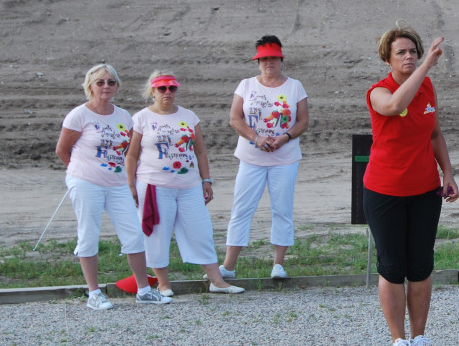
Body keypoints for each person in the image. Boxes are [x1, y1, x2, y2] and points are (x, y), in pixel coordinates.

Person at [364, 22, 459, 346]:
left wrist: (447, 173)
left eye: (413, 51)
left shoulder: (427, 86)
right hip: (384, 191)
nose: (409, 56)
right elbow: (393, 106)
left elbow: (434, 134)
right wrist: (424, 68)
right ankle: (398, 342)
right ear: (388, 59)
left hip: (424, 191)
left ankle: (419, 339)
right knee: (392, 267)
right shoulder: (379, 90)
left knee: (420, 265)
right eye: (401, 52)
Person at [55, 64, 172, 309]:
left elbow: (129, 149)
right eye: (100, 82)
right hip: (86, 182)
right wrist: (81, 172)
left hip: (117, 183)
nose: (106, 86)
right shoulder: (80, 115)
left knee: (133, 234)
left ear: (117, 86)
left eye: (110, 82)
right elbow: (62, 150)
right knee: (88, 234)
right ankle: (94, 293)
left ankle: (143, 289)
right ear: (90, 87)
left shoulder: (123, 116)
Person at [126, 71, 244, 295]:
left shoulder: (189, 116)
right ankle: (163, 283)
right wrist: (130, 185)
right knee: (157, 233)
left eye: (172, 88)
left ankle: (216, 280)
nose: (167, 93)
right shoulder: (141, 118)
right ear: (153, 91)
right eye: (162, 89)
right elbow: (131, 155)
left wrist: (206, 180)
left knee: (200, 230)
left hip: (189, 185)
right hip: (154, 185)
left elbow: (199, 151)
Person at [217, 34, 309, 281]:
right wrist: (256, 137)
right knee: (242, 208)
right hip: (251, 157)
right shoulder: (246, 85)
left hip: (284, 158)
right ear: (258, 61)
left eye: (273, 58)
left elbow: (303, 120)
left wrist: (285, 137)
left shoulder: (294, 86)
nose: (269, 63)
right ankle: (228, 265)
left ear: (281, 59)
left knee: (282, 209)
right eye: (264, 59)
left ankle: (278, 264)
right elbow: (235, 118)